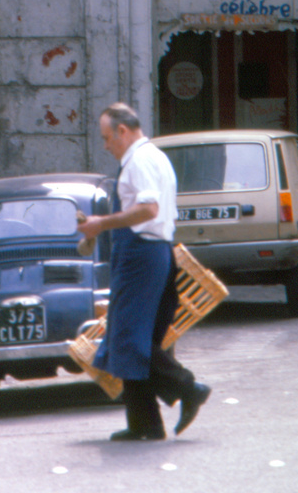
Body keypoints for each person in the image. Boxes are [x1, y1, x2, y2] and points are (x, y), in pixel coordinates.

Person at [78, 102, 211, 441]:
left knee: (128, 339)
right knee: (139, 340)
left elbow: (149, 209)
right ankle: (145, 424)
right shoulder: (156, 156)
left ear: (123, 131)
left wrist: (102, 223)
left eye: (107, 137)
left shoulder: (137, 161)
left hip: (141, 255)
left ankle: (187, 386)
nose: (106, 145)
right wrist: (97, 232)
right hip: (155, 253)